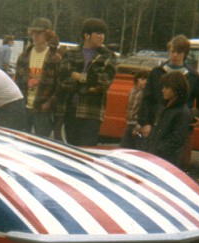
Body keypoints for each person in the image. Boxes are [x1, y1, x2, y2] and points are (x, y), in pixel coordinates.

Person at [138, 35, 199, 170]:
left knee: (176, 166)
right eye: (172, 51)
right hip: (156, 122)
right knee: (150, 163)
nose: (175, 55)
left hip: (180, 125)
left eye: (179, 52)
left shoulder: (193, 76)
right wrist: (145, 122)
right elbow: (146, 99)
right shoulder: (157, 72)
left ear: (185, 54)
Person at [56, 18, 117, 146]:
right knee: (71, 147)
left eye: (103, 34)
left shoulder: (108, 55)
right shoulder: (71, 53)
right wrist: (89, 83)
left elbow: (103, 83)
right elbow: (62, 79)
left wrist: (79, 77)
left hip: (92, 110)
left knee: (87, 148)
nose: (102, 37)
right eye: (98, 33)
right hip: (70, 108)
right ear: (87, 35)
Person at [15, 18, 61, 138]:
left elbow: (59, 85)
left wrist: (49, 103)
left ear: (48, 34)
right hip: (24, 107)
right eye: (33, 33)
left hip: (43, 109)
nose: (35, 36)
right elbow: (17, 82)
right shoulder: (24, 56)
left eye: (39, 33)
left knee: (42, 143)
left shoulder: (55, 57)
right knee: (20, 140)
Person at [145, 71, 192, 166]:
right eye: (163, 87)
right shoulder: (165, 106)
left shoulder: (182, 111)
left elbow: (176, 139)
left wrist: (158, 151)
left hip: (166, 160)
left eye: (166, 88)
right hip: (154, 155)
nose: (163, 90)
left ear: (176, 90)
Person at [120, 70, 149, 149]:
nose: (145, 82)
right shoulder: (132, 91)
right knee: (124, 147)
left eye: (147, 80)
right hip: (129, 123)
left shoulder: (145, 93)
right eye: (143, 79)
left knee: (139, 147)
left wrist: (139, 125)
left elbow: (143, 110)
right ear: (136, 80)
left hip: (138, 124)